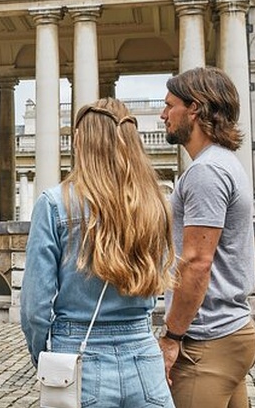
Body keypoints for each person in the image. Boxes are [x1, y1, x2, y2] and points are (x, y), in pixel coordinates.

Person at [21, 98, 176, 407]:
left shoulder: (54, 204)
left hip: (78, 353)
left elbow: (34, 309)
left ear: (80, 142)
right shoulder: (155, 202)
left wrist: (44, 357)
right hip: (144, 357)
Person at [159, 67, 255, 408]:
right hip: (231, 332)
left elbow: (197, 263)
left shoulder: (206, 172)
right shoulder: (224, 163)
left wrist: (172, 337)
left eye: (169, 105)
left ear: (195, 109)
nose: (163, 114)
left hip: (206, 340)